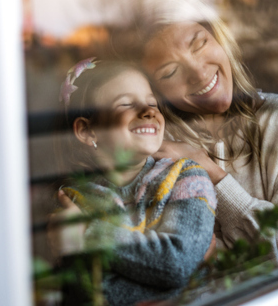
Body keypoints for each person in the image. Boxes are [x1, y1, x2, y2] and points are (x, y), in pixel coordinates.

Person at [127, 0, 278, 266]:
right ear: (156, 91)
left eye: (199, 44)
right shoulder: (156, 148)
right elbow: (159, 264)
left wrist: (212, 174)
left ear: (219, 39)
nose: (199, 73)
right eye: (170, 72)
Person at [54, 58, 217, 306]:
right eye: (126, 104)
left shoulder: (188, 178)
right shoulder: (75, 200)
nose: (149, 111)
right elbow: (82, 295)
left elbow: (177, 265)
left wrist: (90, 232)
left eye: (152, 103)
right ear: (87, 132)